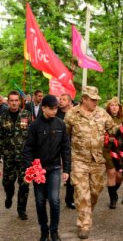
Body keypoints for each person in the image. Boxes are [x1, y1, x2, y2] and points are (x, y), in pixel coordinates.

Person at [64, 86, 117, 239]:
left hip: (98, 161)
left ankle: (86, 213)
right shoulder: (72, 114)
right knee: (82, 193)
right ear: (84, 99)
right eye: (93, 99)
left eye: (96, 99)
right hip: (78, 159)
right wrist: (65, 158)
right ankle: (84, 224)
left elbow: (113, 129)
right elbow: (65, 136)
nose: (95, 102)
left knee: (94, 191)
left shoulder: (102, 114)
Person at [23, 95, 71, 241]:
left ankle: (54, 231)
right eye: (51, 108)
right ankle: (44, 230)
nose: (54, 111)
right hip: (38, 169)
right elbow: (28, 148)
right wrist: (29, 168)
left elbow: (66, 148)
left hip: (55, 168)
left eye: (56, 108)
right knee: (39, 200)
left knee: (54, 200)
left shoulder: (61, 124)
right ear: (43, 108)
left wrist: (67, 169)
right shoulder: (34, 126)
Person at [0, 90, 32, 220]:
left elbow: (32, 136)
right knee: (8, 182)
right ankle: (9, 195)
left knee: (24, 184)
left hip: (24, 158)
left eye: (16, 100)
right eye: (11, 100)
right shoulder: (2, 117)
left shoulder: (27, 115)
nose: (13, 103)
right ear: (8, 101)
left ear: (20, 101)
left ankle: (21, 210)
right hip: (8, 158)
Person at [104, 97, 123, 209]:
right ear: (108, 107)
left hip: (120, 150)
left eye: (116, 105)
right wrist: (108, 138)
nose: (114, 107)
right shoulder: (104, 117)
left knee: (119, 175)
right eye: (112, 105)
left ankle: (113, 191)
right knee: (111, 173)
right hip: (107, 149)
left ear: (119, 107)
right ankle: (113, 199)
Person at [56, 93, 75, 209]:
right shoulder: (55, 112)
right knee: (53, 170)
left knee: (70, 172)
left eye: (63, 99)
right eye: (60, 99)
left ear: (69, 101)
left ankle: (69, 199)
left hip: (70, 146)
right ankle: (51, 193)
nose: (61, 101)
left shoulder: (74, 114)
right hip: (55, 146)